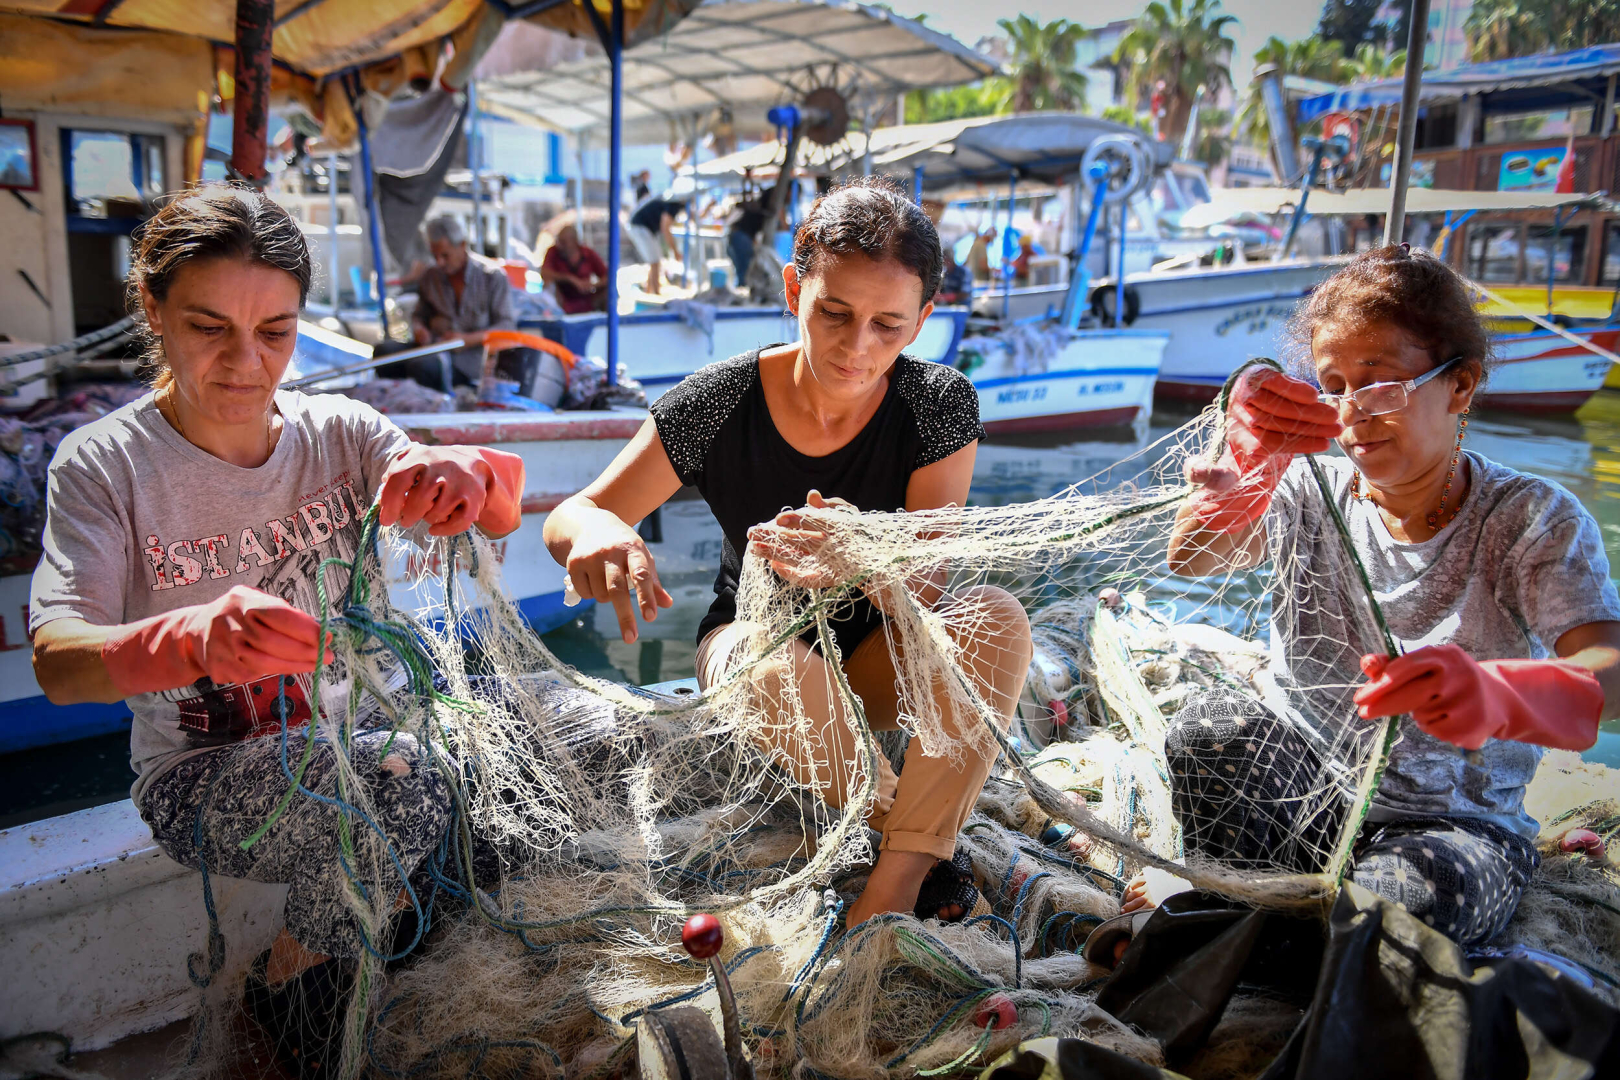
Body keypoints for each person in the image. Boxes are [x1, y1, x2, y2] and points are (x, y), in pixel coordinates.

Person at [28, 186, 525, 1075]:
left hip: (366, 732)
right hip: (205, 776)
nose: (246, 363)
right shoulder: (103, 466)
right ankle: (283, 982)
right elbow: (59, 661)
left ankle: (388, 954)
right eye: (209, 327)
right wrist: (189, 640)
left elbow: (479, 508)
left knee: (535, 731)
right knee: (406, 784)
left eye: (276, 332)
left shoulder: (341, 431)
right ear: (152, 307)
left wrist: (465, 476)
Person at [542, 177, 1032, 928]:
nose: (857, 346)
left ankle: (892, 885)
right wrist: (603, 533)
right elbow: (576, 511)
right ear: (793, 286)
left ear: (925, 319)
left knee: (996, 617)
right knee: (768, 663)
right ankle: (910, 834)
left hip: (879, 652)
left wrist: (861, 557)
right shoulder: (716, 401)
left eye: (889, 326)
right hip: (752, 653)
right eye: (834, 312)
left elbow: (928, 579)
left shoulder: (939, 404)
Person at [1110, 245, 1620, 953]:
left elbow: (1609, 671)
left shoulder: (1535, 517)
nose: (1353, 413)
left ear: (1462, 385)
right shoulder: (1302, 485)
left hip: (1452, 828)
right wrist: (1230, 494)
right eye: (1334, 385)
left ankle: (1235, 918)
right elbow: (1191, 559)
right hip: (1304, 792)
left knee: (1397, 909)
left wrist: (1501, 694)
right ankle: (1254, 912)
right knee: (1210, 725)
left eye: (1380, 385)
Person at [409, 215, 514, 387]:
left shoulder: (492, 276)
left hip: (473, 360)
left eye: (445, 255)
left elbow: (507, 326)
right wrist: (420, 329)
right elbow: (419, 315)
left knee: (421, 368)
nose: (440, 262)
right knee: (385, 352)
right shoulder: (431, 276)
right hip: (435, 348)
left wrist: (467, 340)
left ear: (462, 245)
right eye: (435, 256)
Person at [540, 225, 609, 314]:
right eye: (559, 241)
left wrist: (593, 285)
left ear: (575, 242)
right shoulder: (553, 252)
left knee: (609, 291)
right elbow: (544, 273)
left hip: (588, 300)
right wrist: (570, 279)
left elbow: (608, 276)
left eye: (564, 242)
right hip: (563, 301)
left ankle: (606, 322)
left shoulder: (588, 253)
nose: (560, 246)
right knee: (548, 285)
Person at [628, 196, 684, 296]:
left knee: (655, 261)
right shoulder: (674, 202)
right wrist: (675, 251)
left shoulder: (671, 199)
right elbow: (665, 227)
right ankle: (655, 292)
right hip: (640, 226)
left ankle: (650, 290)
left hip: (641, 226)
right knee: (655, 261)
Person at [726, 183, 779, 283]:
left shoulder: (760, 208)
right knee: (744, 266)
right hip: (741, 237)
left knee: (742, 266)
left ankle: (743, 285)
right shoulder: (759, 207)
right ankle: (743, 286)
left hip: (739, 236)